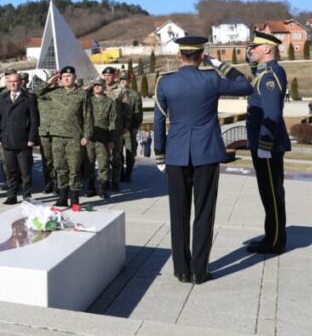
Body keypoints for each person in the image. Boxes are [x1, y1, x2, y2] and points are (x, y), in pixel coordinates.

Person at [153, 36, 253, 284]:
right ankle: (199, 270)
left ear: (179, 55)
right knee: (204, 212)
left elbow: (158, 121)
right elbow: (244, 85)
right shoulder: (211, 79)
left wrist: (160, 153)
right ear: (201, 56)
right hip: (206, 152)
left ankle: (181, 270)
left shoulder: (165, 82)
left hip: (176, 154)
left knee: (178, 213)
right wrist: (217, 63)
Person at [245, 31, 291, 255]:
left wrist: (264, 145)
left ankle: (274, 242)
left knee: (272, 193)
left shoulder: (270, 76)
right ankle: (271, 235)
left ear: (266, 49)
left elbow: (271, 113)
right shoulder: (264, 72)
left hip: (268, 147)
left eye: (254, 47)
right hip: (265, 145)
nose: (250, 50)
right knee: (269, 192)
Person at [37, 66, 93, 207]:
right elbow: (37, 92)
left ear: (74, 77)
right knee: (60, 167)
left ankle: (74, 200)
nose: (66, 78)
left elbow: (88, 117)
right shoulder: (55, 93)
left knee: (74, 168)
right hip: (57, 136)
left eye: (69, 75)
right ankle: (62, 197)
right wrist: (51, 81)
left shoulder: (82, 94)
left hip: (74, 136)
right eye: (64, 76)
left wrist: (86, 135)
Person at [0, 72, 39, 204]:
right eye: (10, 82)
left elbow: (34, 120)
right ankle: (11, 195)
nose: (13, 84)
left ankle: (27, 196)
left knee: (25, 172)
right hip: (8, 140)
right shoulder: (3, 98)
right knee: (10, 171)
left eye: (15, 81)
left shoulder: (29, 98)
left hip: (24, 140)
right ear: (7, 83)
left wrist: (32, 138)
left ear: (20, 83)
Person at [87, 77, 118, 198]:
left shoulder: (110, 102)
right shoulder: (88, 100)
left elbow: (112, 122)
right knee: (89, 163)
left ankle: (102, 187)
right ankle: (90, 187)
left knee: (103, 164)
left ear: (104, 87)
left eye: (99, 85)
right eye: (95, 85)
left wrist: (111, 140)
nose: (97, 87)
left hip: (103, 138)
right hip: (89, 137)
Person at [102, 67, 129, 191]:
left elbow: (127, 110)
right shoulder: (98, 88)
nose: (107, 77)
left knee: (116, 157)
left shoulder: (121, 90)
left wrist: (125, 126)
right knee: (103, 157)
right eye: (105, 75)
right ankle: (104, 181)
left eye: (110, 75)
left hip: (116, 129)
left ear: (114, 76)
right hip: (101, 128)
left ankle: (115, 182)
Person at [118, 72, 143, 182]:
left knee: (130, 152)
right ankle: (120, 174)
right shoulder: (115, 93)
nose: (123, 81)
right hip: (117, 129)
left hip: (129, 129)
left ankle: (128, 174)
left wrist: (135, 127)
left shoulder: (134, 94)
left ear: (129, 81)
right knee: (117, 153)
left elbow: (138, 112)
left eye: (125, 79)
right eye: (121, 79)